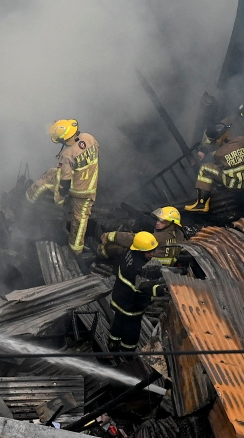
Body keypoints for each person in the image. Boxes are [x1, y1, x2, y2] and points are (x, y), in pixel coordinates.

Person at [26, 119, 99, 253]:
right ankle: (76, 249)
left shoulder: (67, 154)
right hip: (89, 187)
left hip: (76, 189)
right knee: (80, 220)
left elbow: (65, 183)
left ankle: (28, 201)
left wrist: (59, 200)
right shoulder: (89, 138)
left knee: (49, 176)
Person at [107, 231, 166, 352]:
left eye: (153, 250)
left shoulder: (130, 251)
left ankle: (112, 344)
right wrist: (161, 290)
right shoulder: (139, 267)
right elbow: (145, 287)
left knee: (118, 320)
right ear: (140, 251)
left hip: (120, 296)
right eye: (148, 252)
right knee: (132, 329)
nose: (152, 254)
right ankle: (127, 351)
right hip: (132, 303)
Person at [184, 122, 244, 213]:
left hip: (234, 184)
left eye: (215, 141)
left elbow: (218, 165)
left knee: (205, 168)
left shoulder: (219, 153)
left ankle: (202, 204)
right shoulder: (242, 140)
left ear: (218, 139)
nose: (216, 143)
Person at [98, 206, 185, 266]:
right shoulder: (180, 235)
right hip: (167, 268)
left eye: (162, 222)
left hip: (149, 265)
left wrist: (111, 235)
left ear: (171, 224)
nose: (157, 223)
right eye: (158, 220)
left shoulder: (159, 237)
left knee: (117, 248)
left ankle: (101, 256)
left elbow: (134, 239)